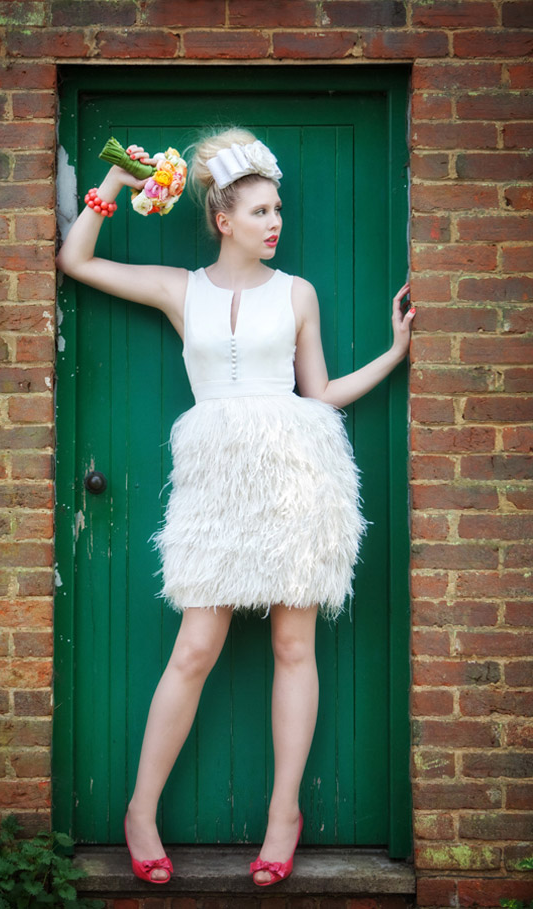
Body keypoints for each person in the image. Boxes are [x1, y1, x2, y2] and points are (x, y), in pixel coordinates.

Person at [55, 127, 415, 887]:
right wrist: (115, 184)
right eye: (260, 211)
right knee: (194, 648)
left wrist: (392, 354)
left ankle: (285, 814)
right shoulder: (181, 288)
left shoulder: (298, 293)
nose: (275, 221)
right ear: (223, 220)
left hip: (296, 476)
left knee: (294, 646)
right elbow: (76, 260)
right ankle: (140, 811)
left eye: (277, 209)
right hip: (217, 483)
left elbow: (319, 393)